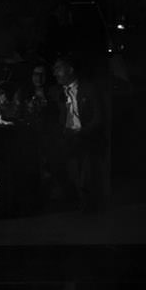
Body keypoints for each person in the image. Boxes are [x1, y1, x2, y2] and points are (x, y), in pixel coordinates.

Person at [48, 57, 106, 208]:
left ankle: (87, 198)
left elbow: (98, 118)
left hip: (85, 134)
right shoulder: (57, 92)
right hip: (66, 135)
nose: (55, 73)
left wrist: (82, 131)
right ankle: (70, 194)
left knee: (85, 156)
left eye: (59, 69)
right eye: (54, 70)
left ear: (70, 69)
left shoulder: (88, 88)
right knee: (55, 153)